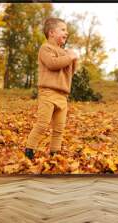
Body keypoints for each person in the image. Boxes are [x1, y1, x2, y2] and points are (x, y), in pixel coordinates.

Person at [24, 18, 78, 159]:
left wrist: (74, 58)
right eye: (63, 29)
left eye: (66, 30)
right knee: (42, 124)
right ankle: (29, 150)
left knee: (59, 128)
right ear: (52, 32)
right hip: (48, 92)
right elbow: (53, 64)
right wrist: (69, 57)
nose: (67, 32)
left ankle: (55, 154)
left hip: (62, 95)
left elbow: (70, 72)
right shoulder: (45, 48)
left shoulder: (65, 52)